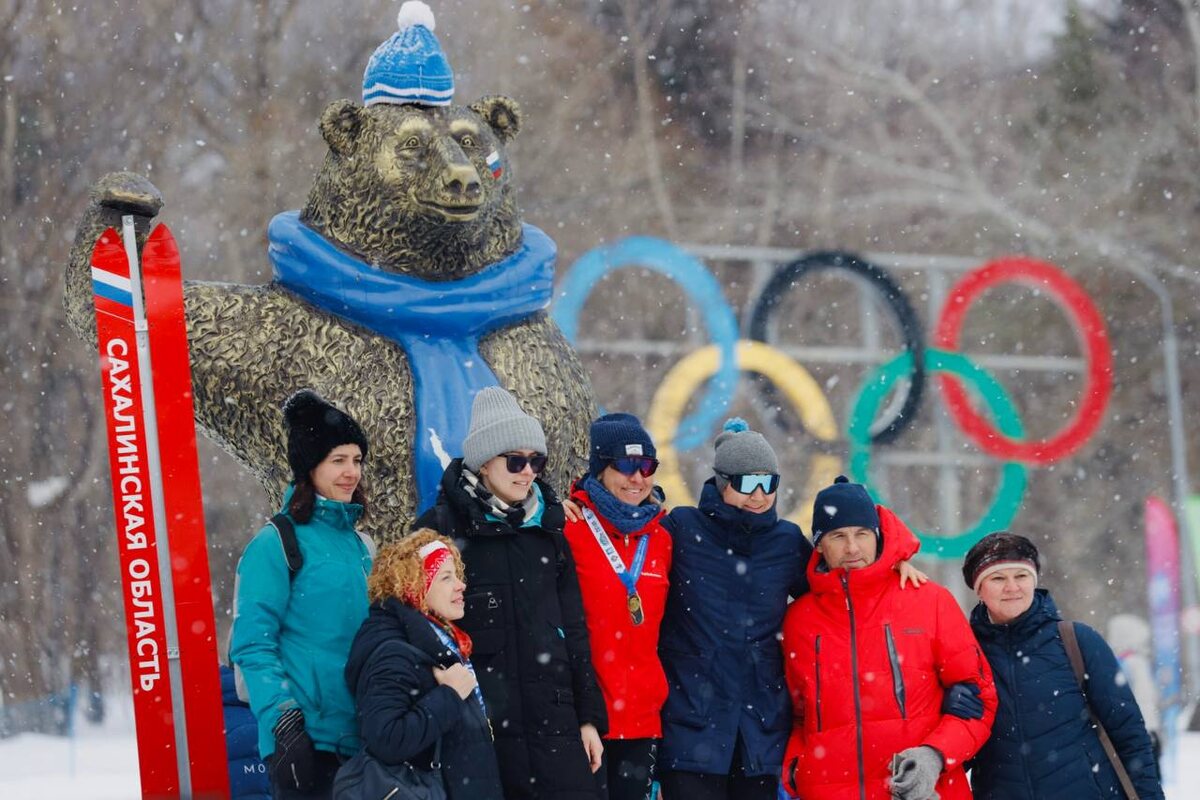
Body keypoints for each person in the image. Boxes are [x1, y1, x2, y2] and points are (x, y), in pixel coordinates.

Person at [655, 421, 927, 800]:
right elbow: (632, 553)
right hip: (692, 722)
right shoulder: (684, 529)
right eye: (747, 483)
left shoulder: (784, 542)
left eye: (769, 483)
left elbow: (836, 581)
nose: (760, 495)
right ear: (721, 481)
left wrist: (893, 563)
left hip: (759, 727)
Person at [415, 385, 607, 800]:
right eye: (515, 460)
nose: (528, 472)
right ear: (484, 464)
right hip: (482, 734)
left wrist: (588, 719)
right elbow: (416, 629)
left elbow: (574, 631)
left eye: (536, 460)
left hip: (555, 729)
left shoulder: (549, 532)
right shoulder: (439, 531)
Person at [781, 476, 998, 800]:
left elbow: (979, 699)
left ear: (878, 536)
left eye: (862, 534)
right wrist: (797, 770)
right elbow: (793, 716)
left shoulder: (928, 600)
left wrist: (935, 756)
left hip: (920, 793)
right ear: (820, 544)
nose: (852, 547)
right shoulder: (799, 619)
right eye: (838, 536)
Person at [229, 389, 375, 800]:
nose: (351, 472)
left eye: (356, 460)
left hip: (366, 737)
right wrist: (284, 722)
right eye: (337, 461)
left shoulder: (363, 546)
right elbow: (252, 645)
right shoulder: (275, 543)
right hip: (307, 742)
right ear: (310, 467)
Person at [964, 532, 1164, 799]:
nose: (1012, 587)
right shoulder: (965, 651)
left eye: (1021, 576)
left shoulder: (1076, 640)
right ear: (979, 588)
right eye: (998, 578)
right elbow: (958, 747)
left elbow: (1130, 735)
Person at [343, 529, 504, 799]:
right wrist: (449, 696)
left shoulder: (443, 644)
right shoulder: (393, 652)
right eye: (446, 577)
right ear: (414, 586)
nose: (461, 585)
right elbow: (386, 740)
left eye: (458, 575)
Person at [563, 413, 673, 800]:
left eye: (647, 466)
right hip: (587, 717)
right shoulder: (568, 527)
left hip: (643, 720)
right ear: (599, 468)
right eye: (626, 465)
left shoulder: (662, 538)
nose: (638, 478)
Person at [1108, 613, 1163, 762]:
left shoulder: (1118, 662)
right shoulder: (1135, 662)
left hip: (1129, 733)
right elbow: (1145, 699)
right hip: (1141, 732)